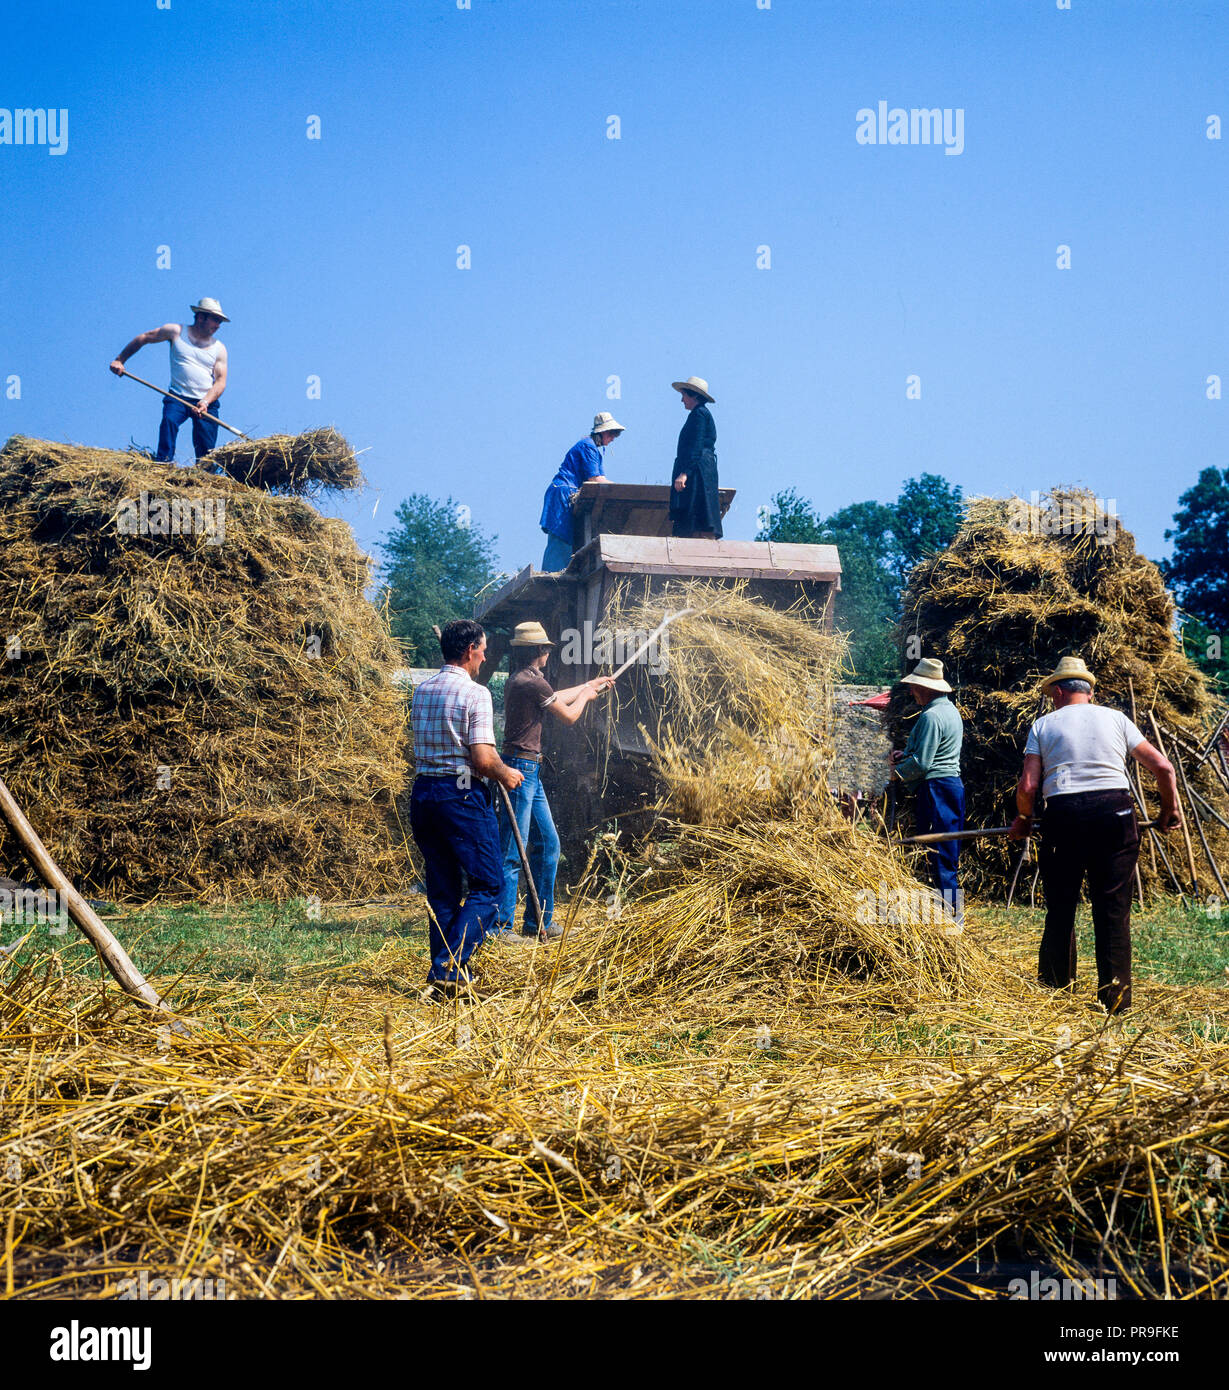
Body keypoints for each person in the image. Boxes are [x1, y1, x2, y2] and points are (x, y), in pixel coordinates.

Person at [1008, 656, 1181, 1015]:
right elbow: (1163, 767)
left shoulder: (1043, 725)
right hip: (1114, 814)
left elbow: (1028, 785)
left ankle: (1056, 991)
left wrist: (1024, 818)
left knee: (1061, 906)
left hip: (1064, 817)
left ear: (1058, 690)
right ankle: (1116, 1001)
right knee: (1113, 911)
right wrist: (1169, 812)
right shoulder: (1116, 719)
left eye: (1052, 693)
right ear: (1087, 691)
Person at [409, 619, 527, 993]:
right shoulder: (476, 694)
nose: (486, 655)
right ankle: (448, 965)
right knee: (488, 885)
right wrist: (506, 773)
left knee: (442, 887)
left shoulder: (421, 690)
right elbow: (482, 759)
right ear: (468, 651)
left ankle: (445, 972)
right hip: (460, 795)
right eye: (483, 648)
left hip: (424, 794)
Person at [495, 621, 614, 938]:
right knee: (512, 849)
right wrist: (588, 696)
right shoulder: (528, 682)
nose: (549, 652)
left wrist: (589, 684)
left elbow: (556, 696)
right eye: (546, 647)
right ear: (538, 651)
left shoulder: (527, 679)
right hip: (519, 768)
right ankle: (500, 926)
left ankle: (539, 923)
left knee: (548, 844)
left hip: (529, 769)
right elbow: (569, 715)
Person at [110, 298, 230, 463]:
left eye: (220, 321)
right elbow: (145, 337)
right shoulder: (176, 331)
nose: (218, 325)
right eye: (215, 320)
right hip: (178, 396)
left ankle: (204, 475)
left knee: (206, 448)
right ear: (201, 317)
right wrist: (120, 359)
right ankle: (163, 464)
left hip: (206, 401)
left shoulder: (219, 348)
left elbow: (220, 382)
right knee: (169, 422)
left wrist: (205, 402)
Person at [890, 657, 964, 921]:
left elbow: (923, 763)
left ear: (927, 688)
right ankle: (944, 915)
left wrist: (896, 774)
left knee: (937, 852)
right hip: (949, 786)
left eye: (915, 686)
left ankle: (949, 920)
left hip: (936, 788)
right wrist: (906, 753)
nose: (912, 691)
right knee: (945, 851)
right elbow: (926, 752)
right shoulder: (950, 711)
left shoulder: (932, 716)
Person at [540, 413, 624, 571]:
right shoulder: (587, 446)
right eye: (612, 433)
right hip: (564, 493)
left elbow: (600, 478)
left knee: (567, 539)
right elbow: (595, 479)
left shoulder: (594, 450)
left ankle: (558, 573)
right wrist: (623, 490)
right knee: (561, 536)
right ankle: (551, 576)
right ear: (602, 432)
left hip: (568, 493)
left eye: (616, 434)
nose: (614, 438)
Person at [669, 376, 721, 540]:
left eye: (684, 395)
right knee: (697, 514)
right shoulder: (699, 414)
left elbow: (697, 446)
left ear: (694, 396)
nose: (682, 400)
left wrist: (685, 473)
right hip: (700, 469)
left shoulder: (699, 415)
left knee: (698, 514)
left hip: (698, 472)